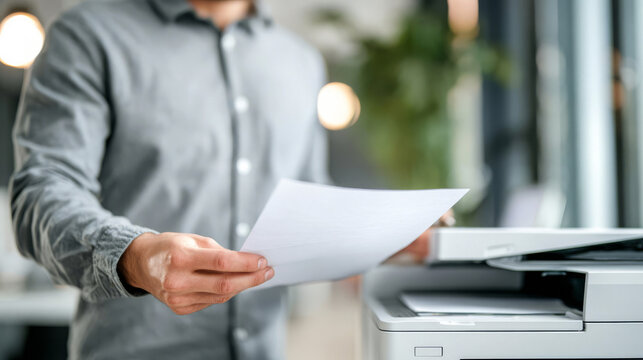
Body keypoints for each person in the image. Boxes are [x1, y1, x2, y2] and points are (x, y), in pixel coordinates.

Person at [10, 0, 433, 359]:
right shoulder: (85, 35)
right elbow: (43, 193)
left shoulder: (300, 62)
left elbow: (308, 204)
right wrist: (136, 257)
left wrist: (385, 235)